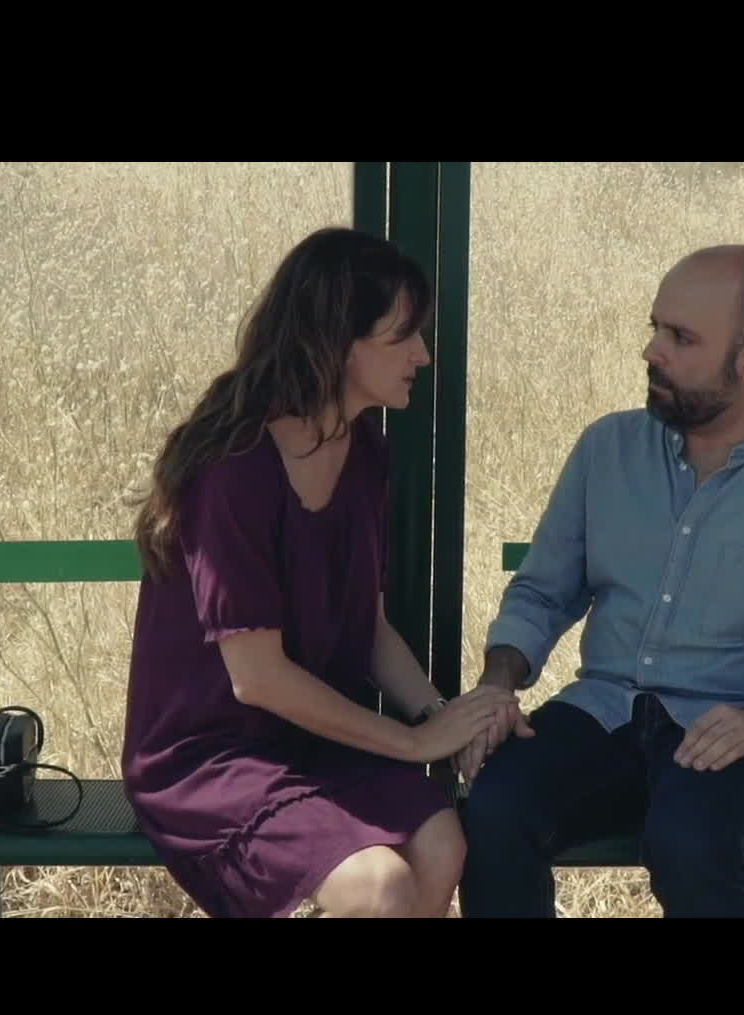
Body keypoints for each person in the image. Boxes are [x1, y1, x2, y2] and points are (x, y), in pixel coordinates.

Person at [456, 244, 744, 918]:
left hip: (739, 736)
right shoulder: (607, 450)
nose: (652, 351)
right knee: (492, 810)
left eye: (681, 338)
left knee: (691, 842)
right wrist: (496, 687)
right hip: (604, 711)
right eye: (656, 327)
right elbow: (543, 592)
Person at [121, 227, 513, 918]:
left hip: (316, 739)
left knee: (443, 844)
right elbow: (258, 678)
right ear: (336, 343)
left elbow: (368, 625)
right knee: (379, 889)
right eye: (402, 336)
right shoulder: (235, 469)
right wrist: (415, 741)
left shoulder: (365, 452)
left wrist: (440, 715)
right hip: (213, 756)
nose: (423, 354)